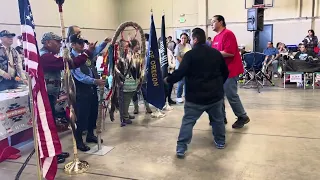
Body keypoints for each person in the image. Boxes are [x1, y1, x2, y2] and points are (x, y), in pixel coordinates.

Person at [165, 28, 229, 158]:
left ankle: (181, 148)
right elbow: (225, 72)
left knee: (188, 121)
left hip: (195, 98)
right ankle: (220, 142)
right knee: (218, 120)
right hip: (215, 97)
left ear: (194, 39)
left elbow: (180, 73)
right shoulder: (216, 53)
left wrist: (168, 79)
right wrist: (217, 85)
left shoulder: (190, 55)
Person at [39, 32, 96, 163]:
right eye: (57, 42)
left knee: (51, 124)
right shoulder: (45, 57)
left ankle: (55, 151)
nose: (60, 44)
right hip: (45, 96)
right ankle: (51, 154)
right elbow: (69, 64)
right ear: (48, 43)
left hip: (50, 95)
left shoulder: (48, 55)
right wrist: (87, 53)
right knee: (48, 126)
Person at [70, 34, 110, 151]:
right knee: (82, 116)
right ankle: (78, 141)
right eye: (80, 43)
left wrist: (104, 42)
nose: (83, 45)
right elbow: (79, 76)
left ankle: (90, 135)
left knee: (93, 113)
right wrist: (95, 81)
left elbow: (96, 51)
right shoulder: (72, 58)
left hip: (91, 89)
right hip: (81, 91)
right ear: (73, 45)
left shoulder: (86, 54)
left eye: (83, 43)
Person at [211, 15, 250, 129]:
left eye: (213, 21)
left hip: (230, 69)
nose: (211, 24)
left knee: (231, 94)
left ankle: (242, 116)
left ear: (221, 22)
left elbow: (230, 52)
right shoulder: (215, 38)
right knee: (219, 95)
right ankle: (220, 117)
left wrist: (214, 53)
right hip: (220, 71)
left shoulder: (228, 34)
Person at [174, 33, 192, 103]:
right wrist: (184, 64)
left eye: (185, 38)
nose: (183, 39)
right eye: (182, 38)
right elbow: (177, 56)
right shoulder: (178, 46)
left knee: (187, 81)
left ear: (187, 39)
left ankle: (187, 95)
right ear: (180, 39)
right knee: (181, 82)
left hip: (188, 66)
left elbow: (191, 54)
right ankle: (178, 96)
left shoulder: (189, 46)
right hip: (180, 66)